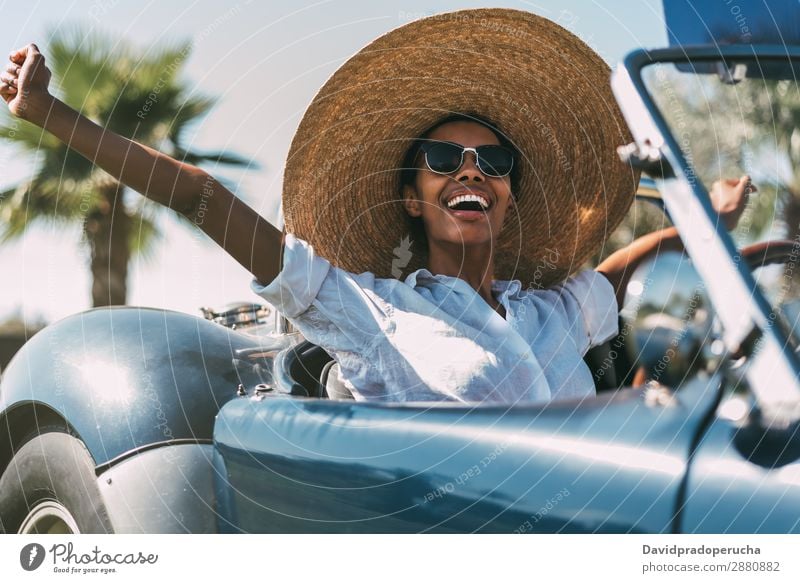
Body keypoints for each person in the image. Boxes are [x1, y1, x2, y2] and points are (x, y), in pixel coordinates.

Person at [0, 9, 750, 404]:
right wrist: (54, 115)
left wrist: (707, 223)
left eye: (494, 161)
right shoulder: (368, 310)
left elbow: (615, 278)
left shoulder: (550, 311)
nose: (471, 170)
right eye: (443, 159)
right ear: (410, 195)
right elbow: (202, 193)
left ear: (510, 192)